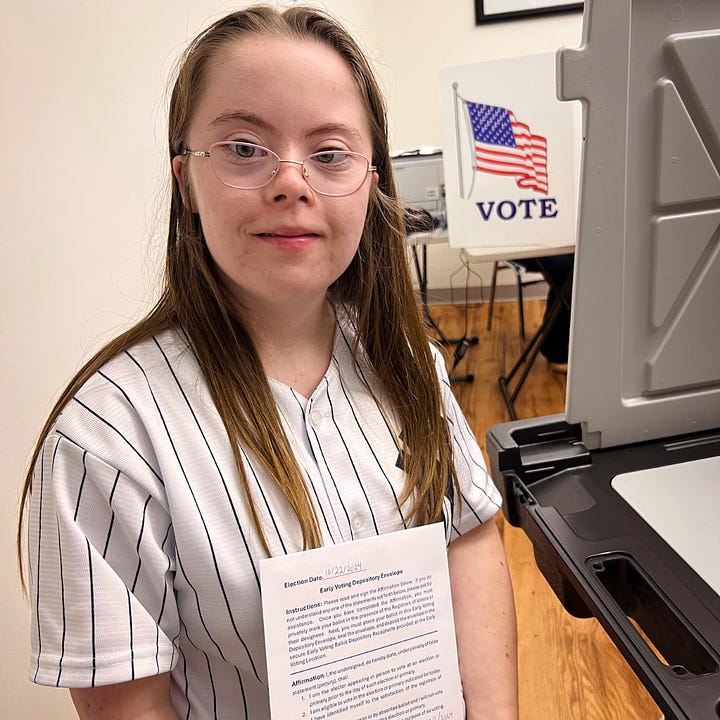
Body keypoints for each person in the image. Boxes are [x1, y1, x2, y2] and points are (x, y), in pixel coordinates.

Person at [17, 5, 518, 719]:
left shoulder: (406, 361)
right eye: (246, 147)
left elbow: (468, 538)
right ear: (186, 182)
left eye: (330, 152)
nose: (292, 182)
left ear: (372, 182)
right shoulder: (105, 441)